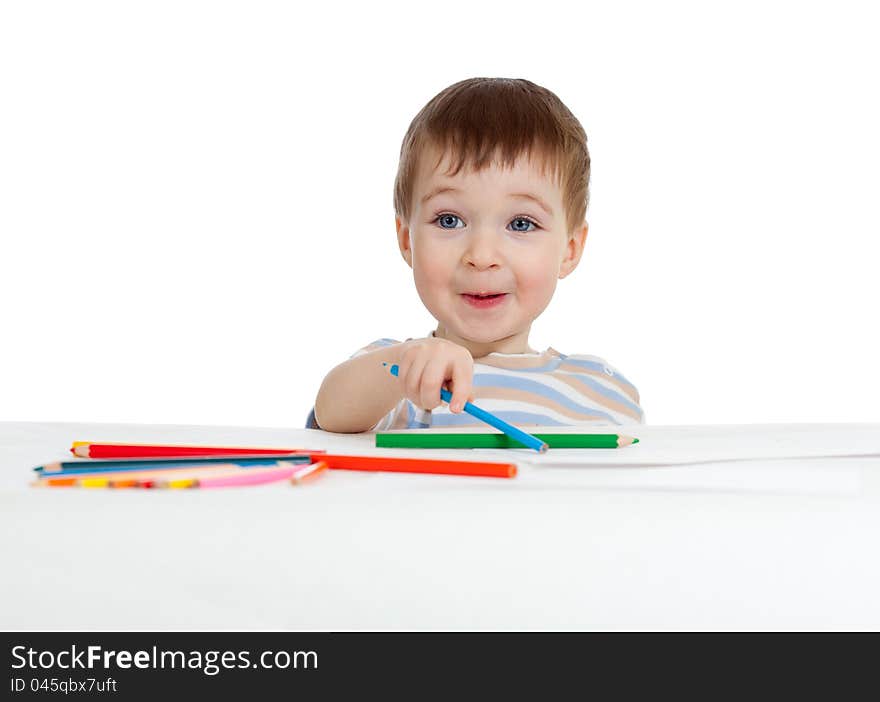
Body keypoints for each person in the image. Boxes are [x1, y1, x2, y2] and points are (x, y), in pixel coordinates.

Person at [308, 77, 644, 432]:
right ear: (407, 240)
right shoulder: (396, 376)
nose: (481, 257)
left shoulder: (599, 391)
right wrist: (403, 363)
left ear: (570, 250)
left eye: (521, 224)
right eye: (449, 220)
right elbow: (330, 414)